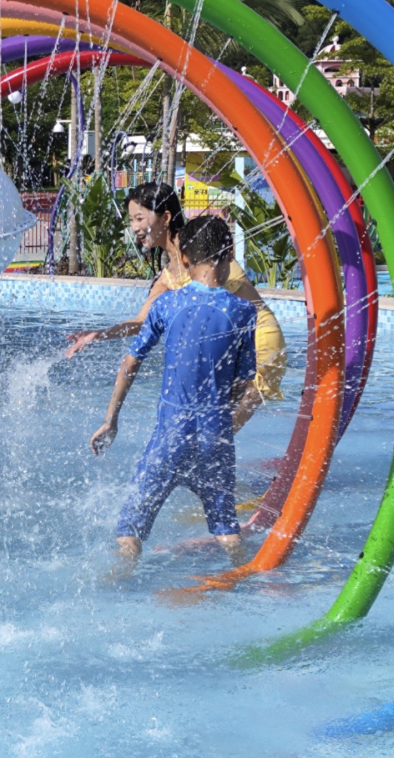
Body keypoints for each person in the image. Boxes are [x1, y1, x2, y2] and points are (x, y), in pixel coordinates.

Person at [90, 215, 257, 562]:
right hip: (216, 438)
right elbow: (243, 382)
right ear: (229, 254)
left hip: (170, 436)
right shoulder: (243, 312)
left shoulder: (167, 305)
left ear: (183, 258)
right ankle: (245, 573)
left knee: (130, 529)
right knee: (227, 530)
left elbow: (130, 363)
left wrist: (110, 420)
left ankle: (119, 580)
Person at [66, 182, 286, 433]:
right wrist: (98, 334)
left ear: (166, 217)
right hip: (233, 346)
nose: (134, 227)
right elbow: (141, 322)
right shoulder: (169, 274)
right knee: (210, 434)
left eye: (139, 218)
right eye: (131, 220)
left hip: (260, 341)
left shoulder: (200, 243)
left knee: (216, 434)